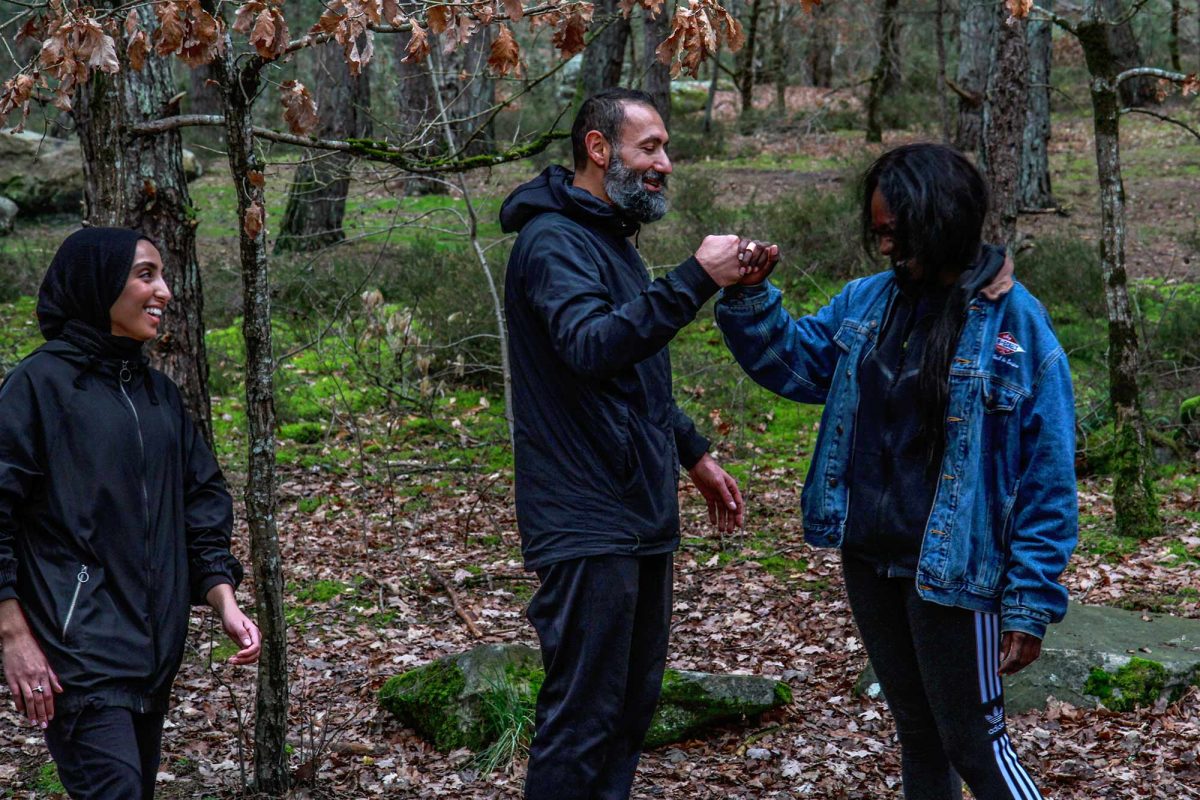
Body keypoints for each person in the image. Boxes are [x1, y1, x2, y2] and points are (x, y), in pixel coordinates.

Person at [715, 143, 1077, 800]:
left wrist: (1030, 602)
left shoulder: (1016, 326)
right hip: (870, 558)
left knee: (974, 739)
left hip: (954, 573)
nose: (884, 249)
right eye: (877, 233)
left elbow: (1047, 479)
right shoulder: (868, 303)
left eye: (896, 233)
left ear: (938, 221)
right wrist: (750, 297)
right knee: (918, 733)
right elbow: (797, 366)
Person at [500, 88, 775, 800]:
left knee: (627, 713)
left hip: (639, 510)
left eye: (665, 149)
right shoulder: (553, 242)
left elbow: (630, 375)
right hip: (586, 517)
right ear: (599, 149)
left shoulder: (609, 239)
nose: (666, 164)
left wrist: (693, 453)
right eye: (650, 148)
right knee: (583, 717)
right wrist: (694, 279)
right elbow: (591, 347)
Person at [0, 227, 261, 799]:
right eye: (146, 275)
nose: (164, 291)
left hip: (152, 654)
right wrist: (12, 633)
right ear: (99, 286)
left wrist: (222, 597)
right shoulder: (37, 388)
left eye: (162, 275)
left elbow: (202, 499)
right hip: (78, 653)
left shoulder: (158, 396)